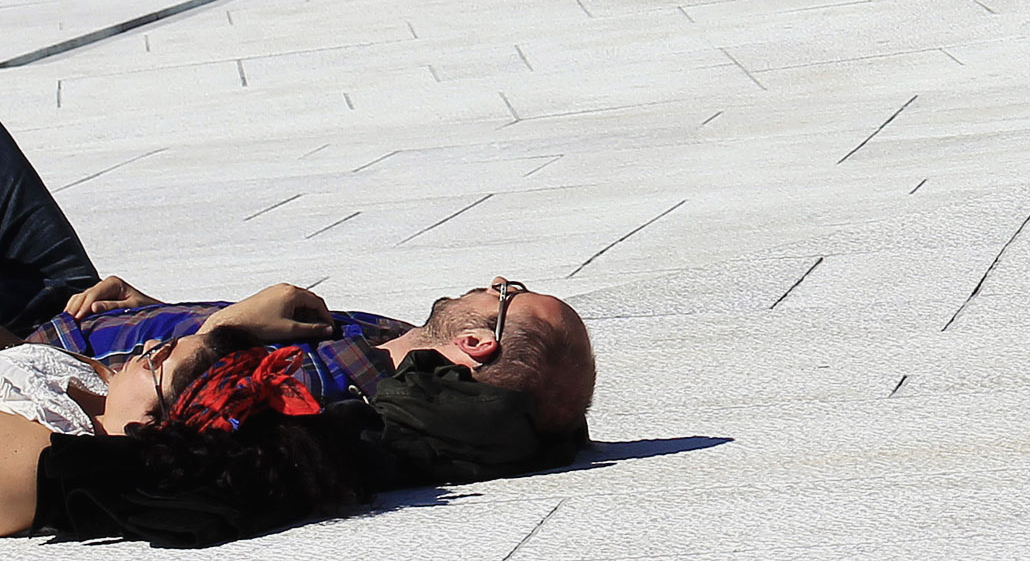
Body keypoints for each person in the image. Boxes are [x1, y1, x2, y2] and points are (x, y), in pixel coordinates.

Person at [0, 116, 594, 541]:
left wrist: (227, 323)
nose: (494, 282)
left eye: (507, 292)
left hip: (45, 333)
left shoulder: (335, 391)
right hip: (89, 304)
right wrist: (159, 305)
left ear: (476, 343)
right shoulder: (393, 341)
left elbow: (163, 397)